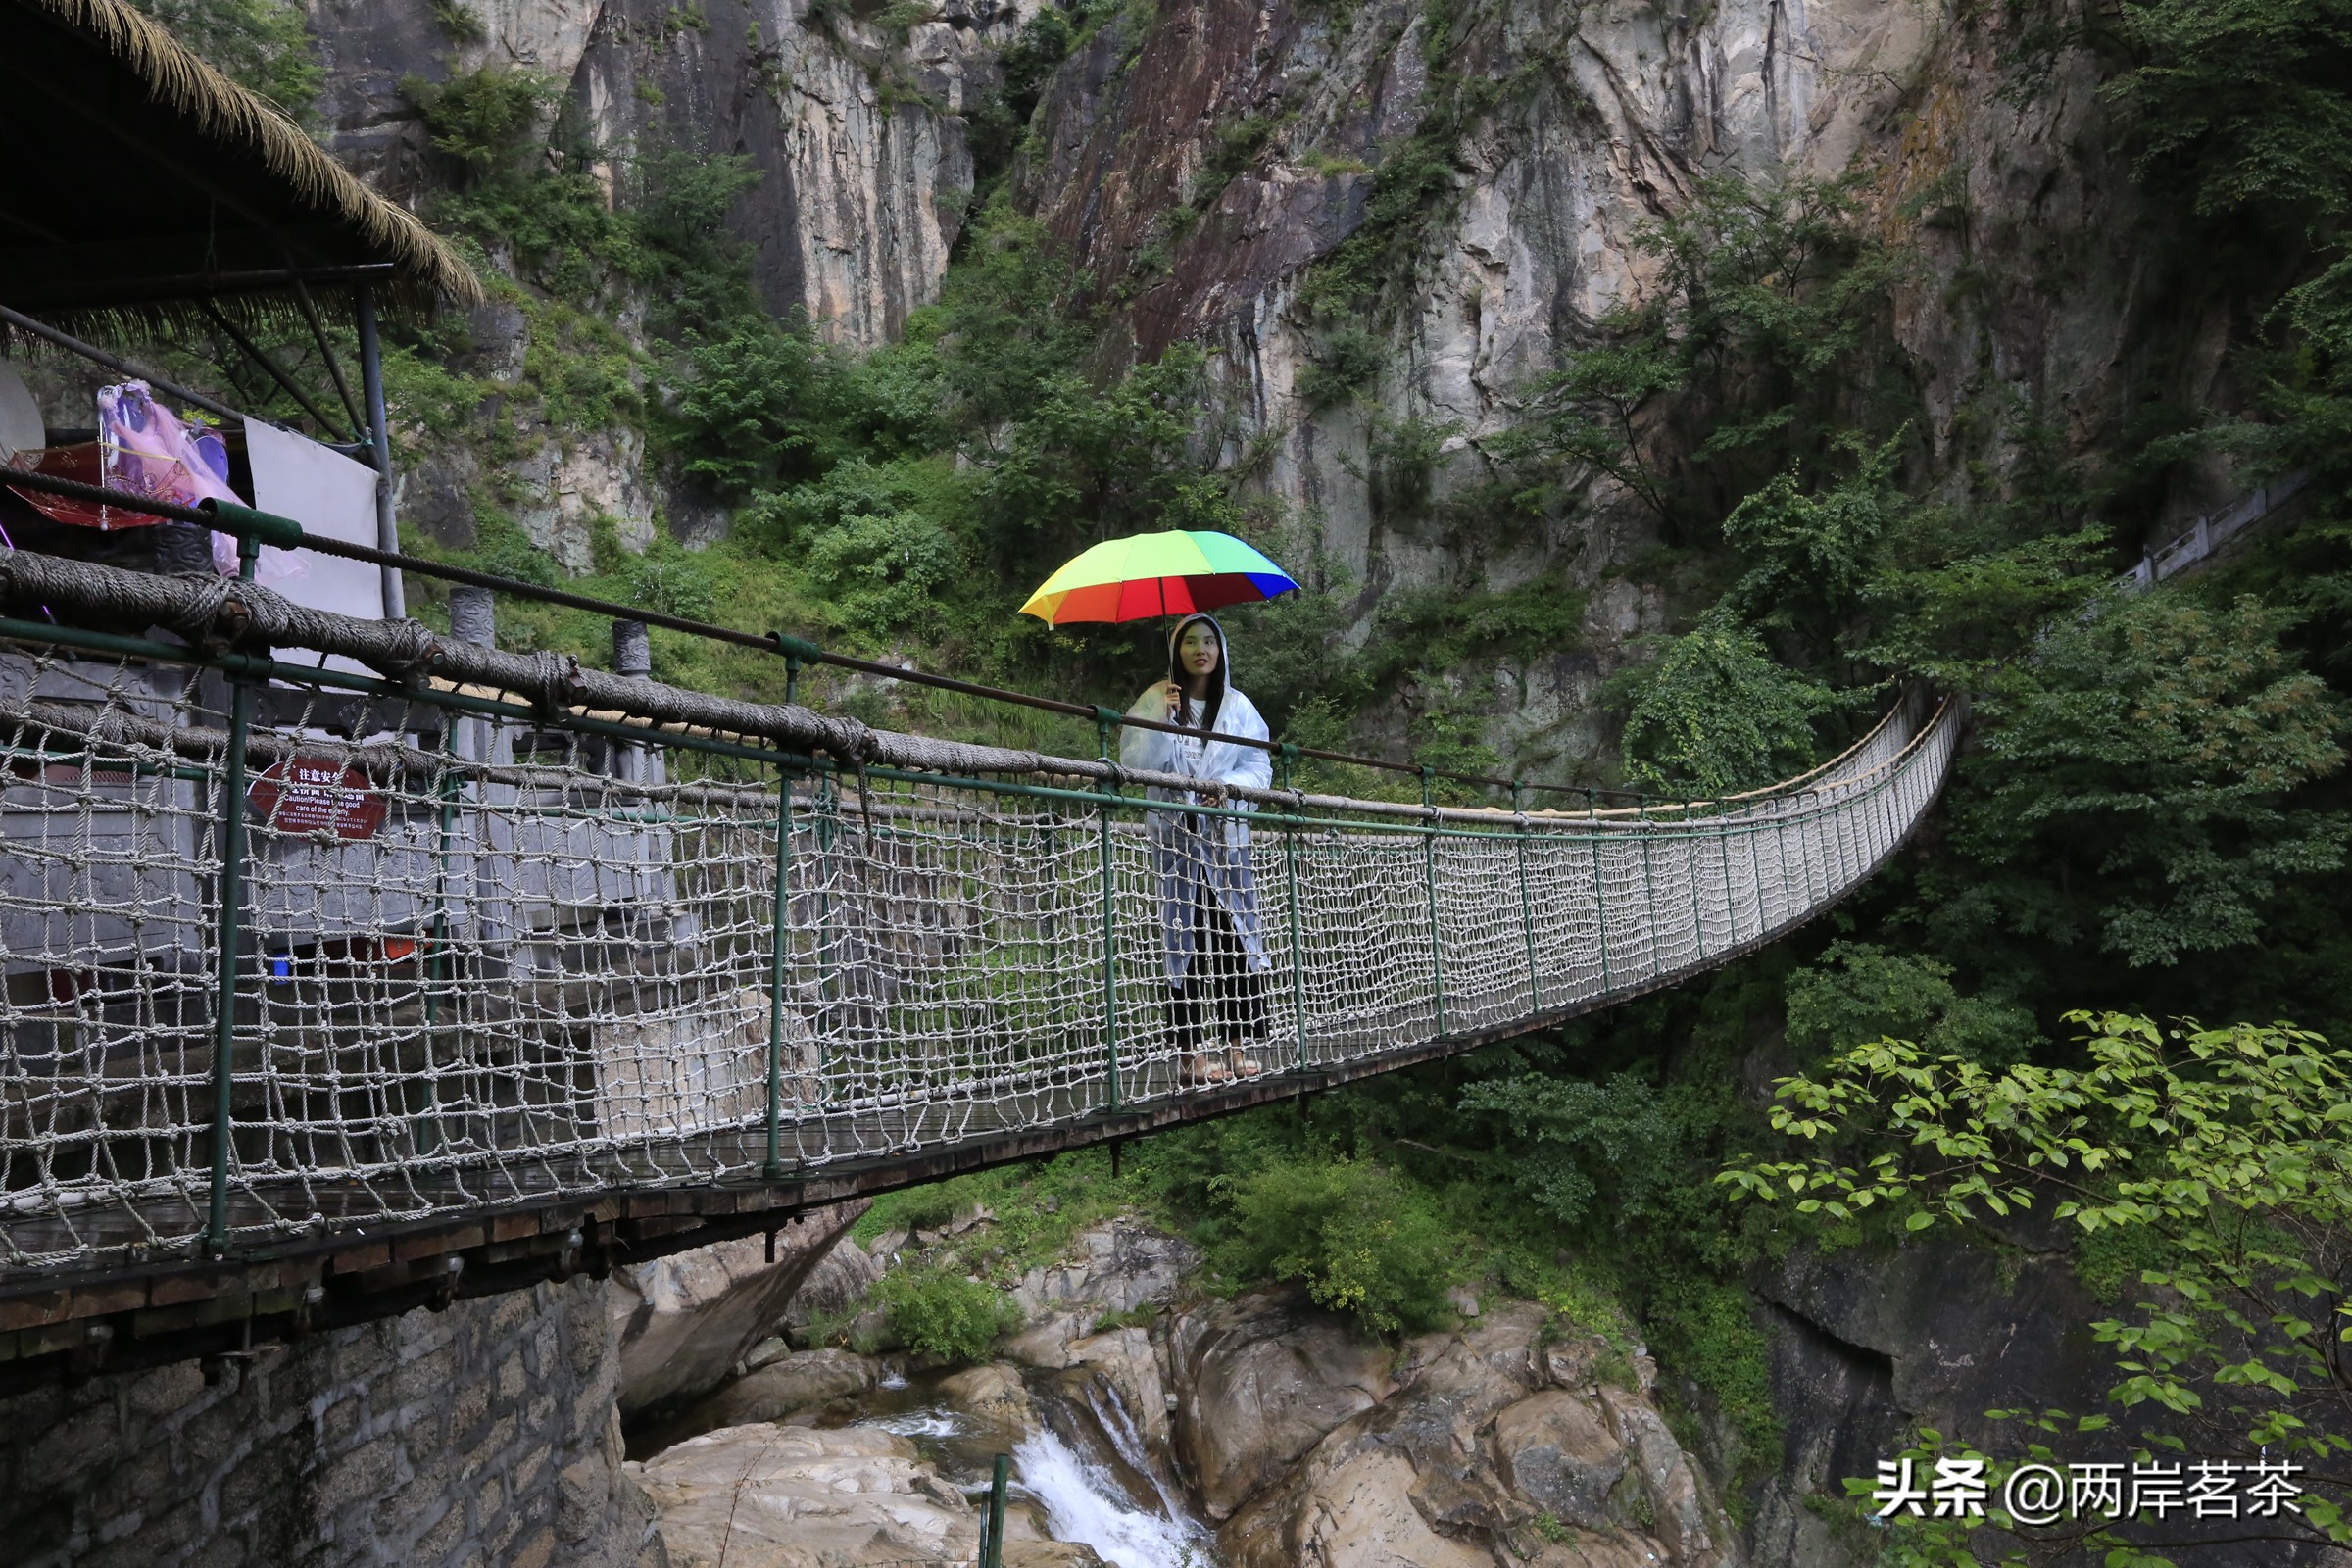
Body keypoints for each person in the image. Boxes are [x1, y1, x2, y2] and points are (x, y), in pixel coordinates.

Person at [1121, 613, 1274, 1087]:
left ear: (1220, 649)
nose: (1200, 649)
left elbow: (1258, 767)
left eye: (1209, 641)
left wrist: (1226, 786)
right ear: (1177, 650)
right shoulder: (1154, 699)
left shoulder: (1239, 707)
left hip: (1224, 840)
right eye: (1190, 641)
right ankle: (1189, 1054)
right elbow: (1135, 763)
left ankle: (1237, 1044)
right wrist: (1162, 722)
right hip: (1176, 840)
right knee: (1181, 942)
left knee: (1233, 938)